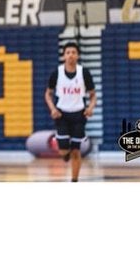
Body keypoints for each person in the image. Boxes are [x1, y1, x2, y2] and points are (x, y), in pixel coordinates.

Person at [44, 41, 96, 182]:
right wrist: (53, 109)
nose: (71, 55)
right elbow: (48, 94)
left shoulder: (84, 73)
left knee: (76, 150)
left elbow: (93, 95)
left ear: (77, 56)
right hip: (61, 114)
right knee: (63, 151)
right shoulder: (57, 73)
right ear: (63, 56)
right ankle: (64, 153)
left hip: (79, 114)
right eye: (68, 53)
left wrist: (90, 107)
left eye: (73, 52)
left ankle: (74, 180)